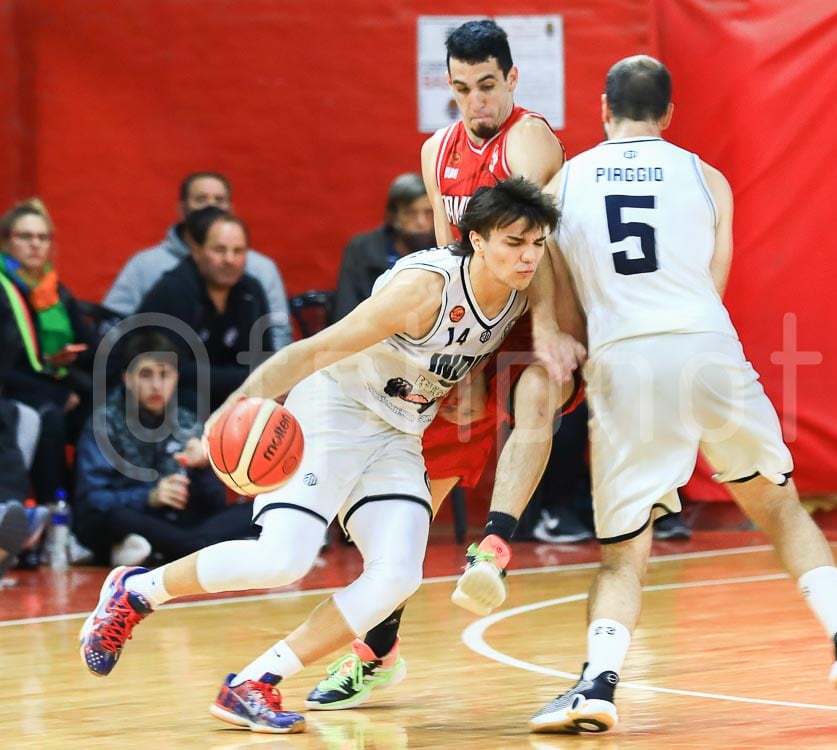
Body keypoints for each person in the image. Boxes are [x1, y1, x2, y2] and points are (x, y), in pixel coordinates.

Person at [78, 177, 560, 734]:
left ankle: (253, 683)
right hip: (335, 410)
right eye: (513, 242)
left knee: (398, 576)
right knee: (281, 560)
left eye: (537, 243)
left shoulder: (524, 291)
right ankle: (136, 591)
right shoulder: (423, 292)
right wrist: (232, 408)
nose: (528, 256)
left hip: (398, 433)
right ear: (476, 239)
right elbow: (312, 350)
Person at [527, 56, 837, 733]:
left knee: (624, 551)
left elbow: (564, 299)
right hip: (705, 345)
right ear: (668, 115)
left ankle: (598, 685)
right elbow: (714, 283)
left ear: (603, 109)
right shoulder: (710, 180)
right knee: (782, 510)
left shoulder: (564, 182)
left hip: (625, 359)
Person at [302, 18, 586, 712]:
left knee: (538, 397)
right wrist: (442, 364)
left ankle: (494, 545)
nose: (476, 103)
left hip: (538, 308)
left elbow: (534, 245)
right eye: (462, 89)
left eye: (487, 86)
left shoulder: (529, 137)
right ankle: (377, 653)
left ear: (512, 80)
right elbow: (448, 257)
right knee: (411, 505)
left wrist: (549, 325)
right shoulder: (438, 152)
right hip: (475, 332)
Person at [74, 331, 254, 567]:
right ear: (127, 378)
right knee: (115, 518)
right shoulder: (104, 424)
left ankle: (176, 547)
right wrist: (150, 497)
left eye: (164, 375)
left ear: (176, 377)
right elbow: (92, 500)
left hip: (174, 524)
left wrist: (205, 466)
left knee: (256, 509)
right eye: (146, 375)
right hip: (127, 518)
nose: (156, 385)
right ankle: (214, 545)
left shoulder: (188, 422)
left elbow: (215, 504)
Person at [103, 171, 292, 351]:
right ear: (182, 209)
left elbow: (277, 333)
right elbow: (112, 326)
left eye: (219, 200)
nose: (211, 206)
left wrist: (271, 377)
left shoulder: (258, 270)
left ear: (231, 209)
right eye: (201, 199)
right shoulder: (147, 267)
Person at [0, 198, 97, 499]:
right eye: (25, 237)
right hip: (14, 390)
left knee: (105, 413)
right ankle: (54, 510)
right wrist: (55, 391)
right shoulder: (4, 289)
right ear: (6, 242)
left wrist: (72, 355)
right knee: (50, 417)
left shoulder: (54, 289)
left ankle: (95, 511)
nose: (35, 245)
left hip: (53, 383)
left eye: (42, 238)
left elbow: (92, 346)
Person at [136, 209, 273, 410]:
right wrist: (246, 377)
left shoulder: (250, 290)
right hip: (168, 400)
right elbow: (172, 369)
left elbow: (264, 357)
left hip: (234, 396)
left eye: (238, 251)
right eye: (219, 250)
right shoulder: (173, 291)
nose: (229, 259)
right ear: (197, 251)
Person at [332, 173, 436, 322]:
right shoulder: (362, 250)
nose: (421, 222)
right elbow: (345, 311)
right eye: (411, 214)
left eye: (428, 213)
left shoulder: (443, 251)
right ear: (394, 216)